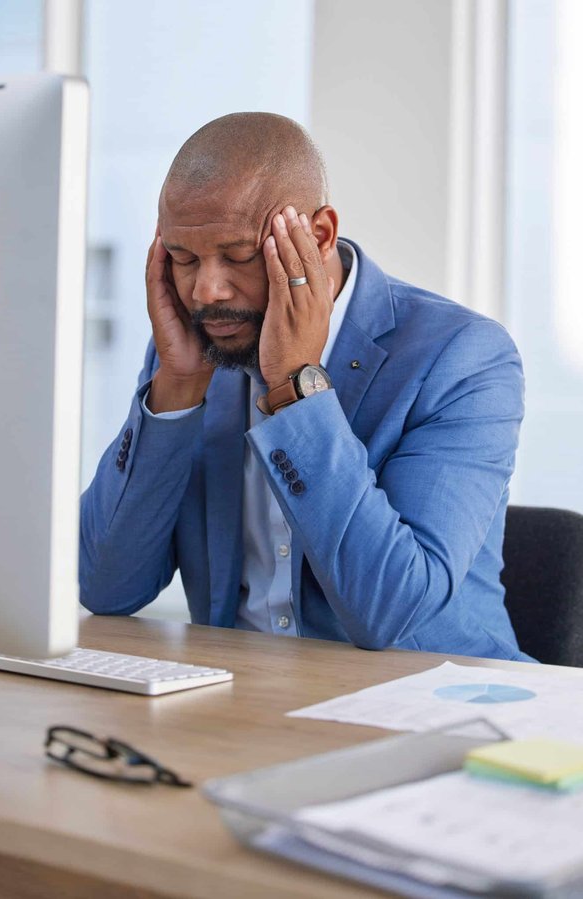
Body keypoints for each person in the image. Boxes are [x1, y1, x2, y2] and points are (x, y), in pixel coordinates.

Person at [80, 112, 531, 661]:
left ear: (317, 236)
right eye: (183, 259)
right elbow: (106, 587)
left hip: (435, 706)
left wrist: (296, 385)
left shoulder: (461, 356)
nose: (207, 290)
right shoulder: (194, 356)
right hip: (247, 708)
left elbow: (391, 610)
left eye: (239, 256)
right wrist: (175, 389)